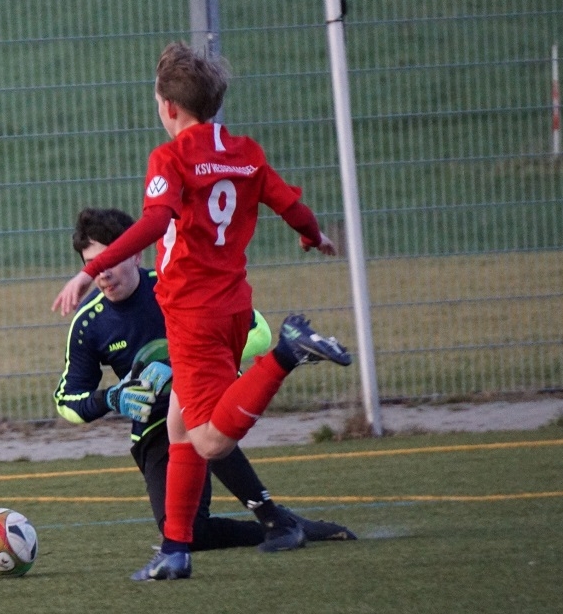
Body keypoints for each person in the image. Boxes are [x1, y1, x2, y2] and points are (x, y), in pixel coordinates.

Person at [53, 42, 352, 580]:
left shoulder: (169, 158)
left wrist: (87, 270)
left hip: (192, 313)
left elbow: (154, 221)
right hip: (234, 305)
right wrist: (313, 236)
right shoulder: (245, 152)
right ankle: (175, 551)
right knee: (180, 427)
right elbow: (290, 204)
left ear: (168, 107)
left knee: (210, 438)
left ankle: (287, 352)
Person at [53, 208, 356, 554]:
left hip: (207, 399)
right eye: (93, 264)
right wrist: (110, 398)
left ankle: (273, 518)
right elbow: (66, 401)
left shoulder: (176, 285)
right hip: (154, 428)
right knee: (186, 535)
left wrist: (180, 364)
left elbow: (257, 332)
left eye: (111, 259)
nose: (103, 272)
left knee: (197, 416)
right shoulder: (88, 324)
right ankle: (285, 525)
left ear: (136, 254)